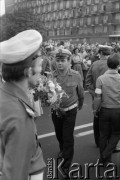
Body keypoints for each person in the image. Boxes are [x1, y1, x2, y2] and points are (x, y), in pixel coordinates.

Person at [0, 30, 46, 180]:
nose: (41, 71)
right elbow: (15, 174)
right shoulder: (19, 115)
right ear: (28, 71)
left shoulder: (5, 95)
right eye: (40, 66)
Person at [51, 48, 84, 178]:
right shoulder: (51, 76)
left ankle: (66, 166)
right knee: (59, 134)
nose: (60, 63)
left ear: (69, 61)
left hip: (71, 111)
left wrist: (80, 104)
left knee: (68, 137)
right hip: (56, 111)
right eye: (58, 60)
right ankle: (62, 149)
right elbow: (49, 95)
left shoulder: (76, 75)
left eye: (63, 60)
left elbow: (81, 93)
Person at [93, 53, 120, 164]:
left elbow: (98, 97)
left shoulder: (101, 79)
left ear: (108, 64)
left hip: (104, 110)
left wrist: (95, 109)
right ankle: (106, 154)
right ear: (118, 65)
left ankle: (103, 159)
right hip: (118, 110)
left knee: (103, 135)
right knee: (117, 133)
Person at [85, 45, 112, 147]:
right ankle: (109, 143)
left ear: (100, 53)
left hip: (96, 96)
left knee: (96, 118)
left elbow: (87, 82)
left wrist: (95, 93)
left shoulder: (94, 64)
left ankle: (98, 142)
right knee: (109, 121)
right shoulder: (112, 64)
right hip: (110, 98)